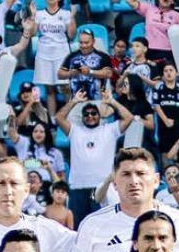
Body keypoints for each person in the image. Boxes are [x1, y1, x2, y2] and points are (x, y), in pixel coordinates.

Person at [56, 87, 136, 223]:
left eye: (93, 113)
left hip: (102, 188)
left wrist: (111, 101)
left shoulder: (110, 129)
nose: (90, 116)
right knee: (79, 227)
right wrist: (74, 101)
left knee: (104, 226)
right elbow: (59, 117)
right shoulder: (75, 131)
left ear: (100, 116)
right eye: (86, 114)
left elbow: (129, 117)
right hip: (78, 187)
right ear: (82, 118)